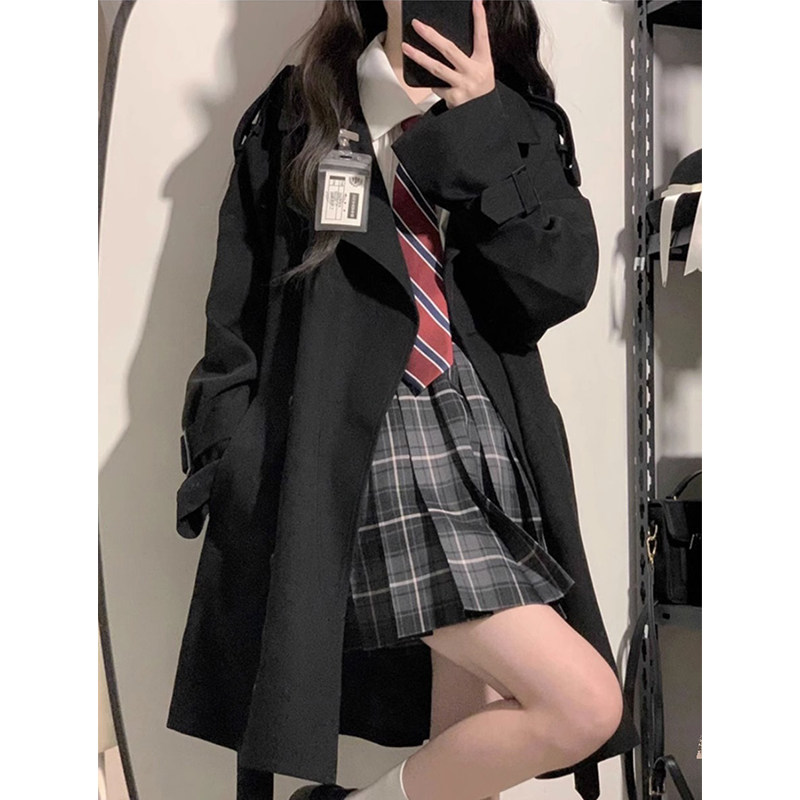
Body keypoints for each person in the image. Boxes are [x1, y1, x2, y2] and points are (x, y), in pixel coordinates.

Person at [170, 1, 638, 798]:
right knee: (582, 702)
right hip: (356, 442)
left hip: (488, 441)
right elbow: (237, 306)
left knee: (471, 747)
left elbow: (556, 285)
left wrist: (482, 124)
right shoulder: (300, 111)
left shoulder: (516, 117)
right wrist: (224, 458)